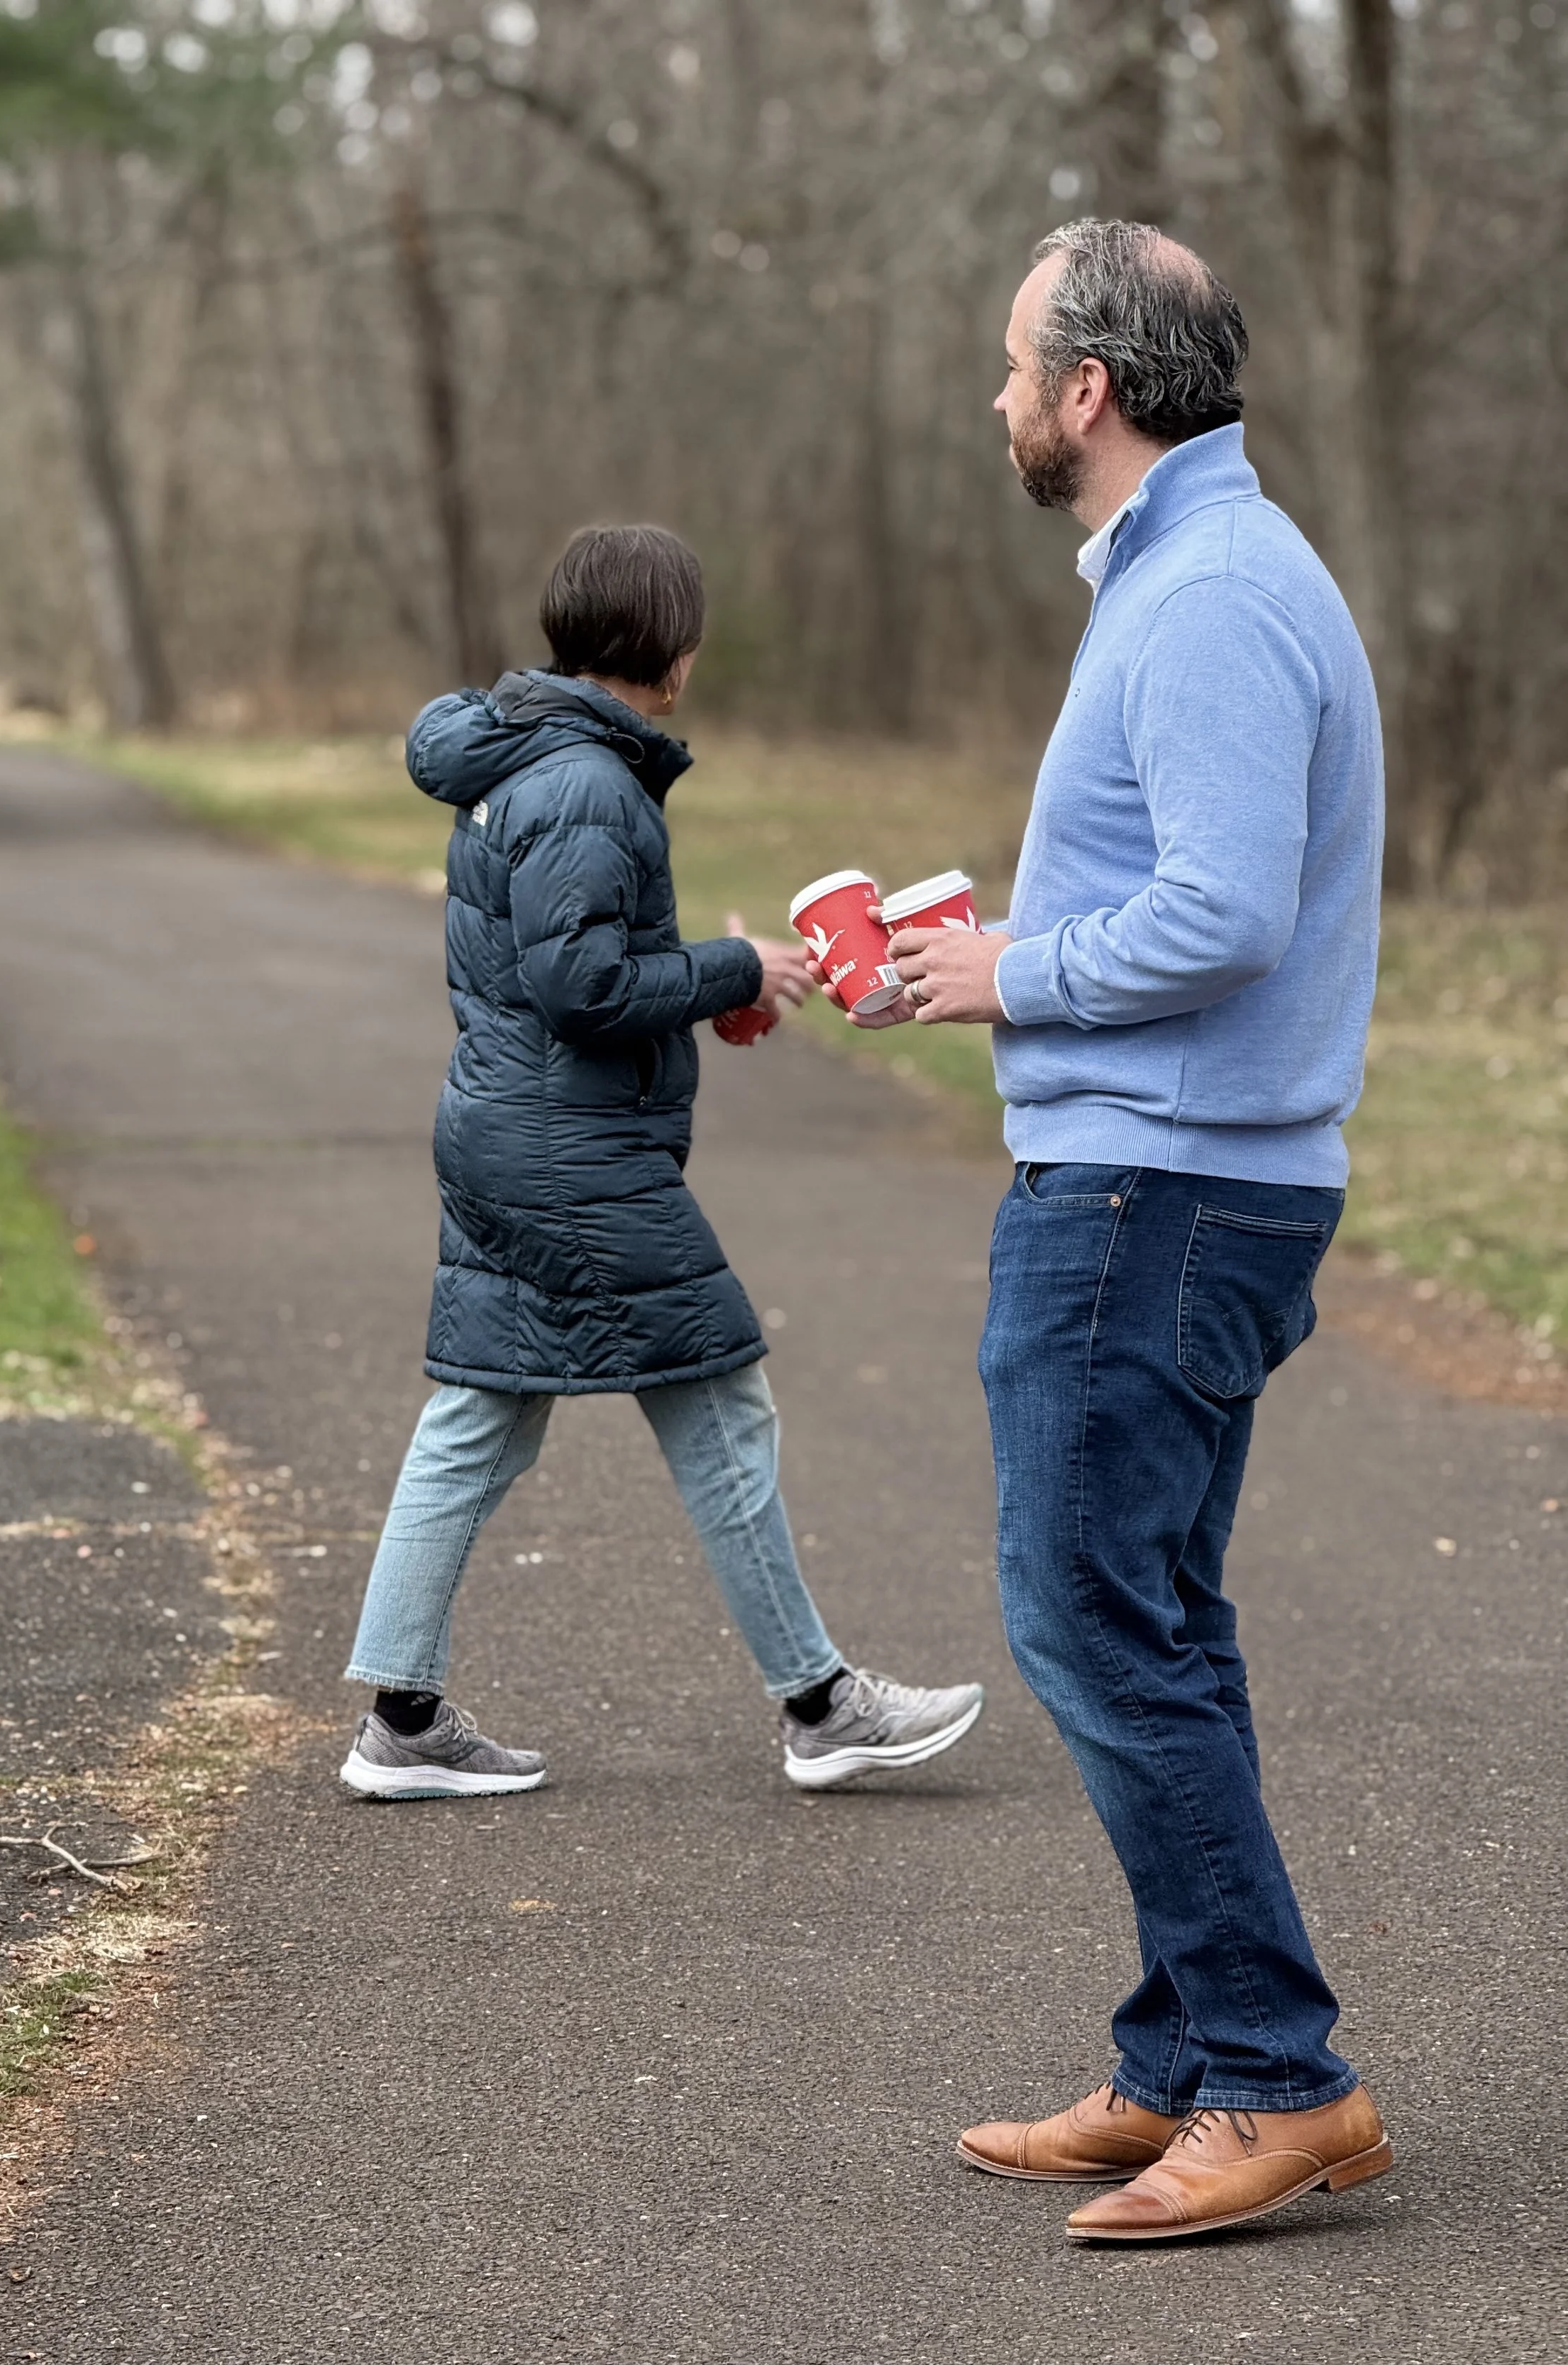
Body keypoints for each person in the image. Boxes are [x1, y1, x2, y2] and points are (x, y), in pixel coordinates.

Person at [813, 222, 1392, 2242]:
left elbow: (1224, 912)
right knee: (1150, 1611)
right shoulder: (1183, 575)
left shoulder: (1216, 593)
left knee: (1086, 1612)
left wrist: (1007, 972)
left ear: (1087, 390)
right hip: (1176, 1176)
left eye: (1005, 367)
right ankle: (1181, 2059)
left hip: (1155, 1189)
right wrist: (989, 949)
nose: (989, 400)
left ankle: (1275, 2076)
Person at [340, 523, 985, 1802]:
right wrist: (734, 969)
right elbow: (579, 986)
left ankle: (400, 1719)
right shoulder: (588, 781)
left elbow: (574, 970)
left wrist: (711, 986)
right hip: (569, 1152)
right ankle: (820, 1702)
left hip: (508, 1130)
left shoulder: (533, 756)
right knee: (718, 1397)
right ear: (671, 657)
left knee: (482, 1414)